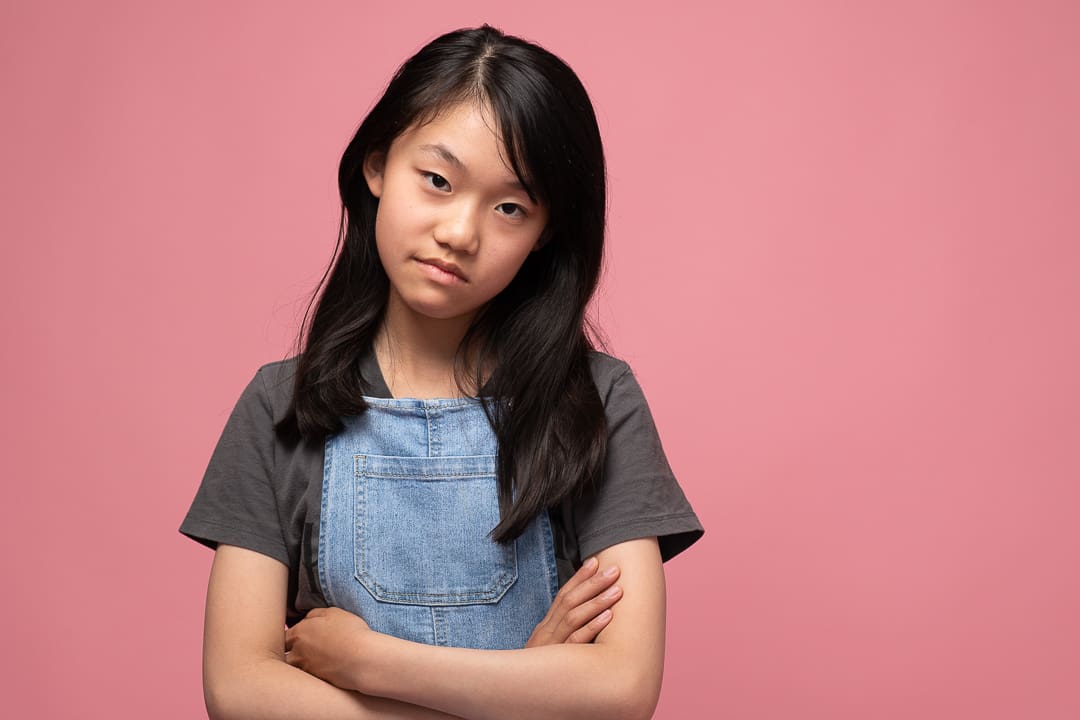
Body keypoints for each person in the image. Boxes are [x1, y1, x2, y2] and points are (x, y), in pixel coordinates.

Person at [180, 24, 703, 720]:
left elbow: (620, 690)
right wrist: (524, 684)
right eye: (437, 180)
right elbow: (239, 691)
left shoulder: (598, 402)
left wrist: (370, 664)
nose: (461, 231)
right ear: (376, 166)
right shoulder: (281, 407)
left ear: (545, 233)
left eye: (509, 207)